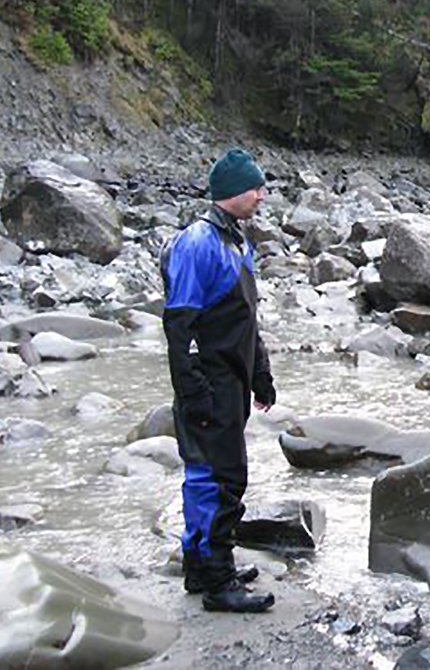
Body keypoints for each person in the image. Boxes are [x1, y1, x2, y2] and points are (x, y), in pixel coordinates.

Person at [161, 148, 276, 612]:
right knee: (217, 479)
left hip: (232, 380)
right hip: (208, 383)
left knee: (216, 475)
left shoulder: (237, 241)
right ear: (233, 191)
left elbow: (247, 319)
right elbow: (180, 325)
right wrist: (194, 391)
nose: (262, 196)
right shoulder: (197, 243)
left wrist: (261, 375)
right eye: (256, 189)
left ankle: (201, 566)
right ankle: (218, 582)